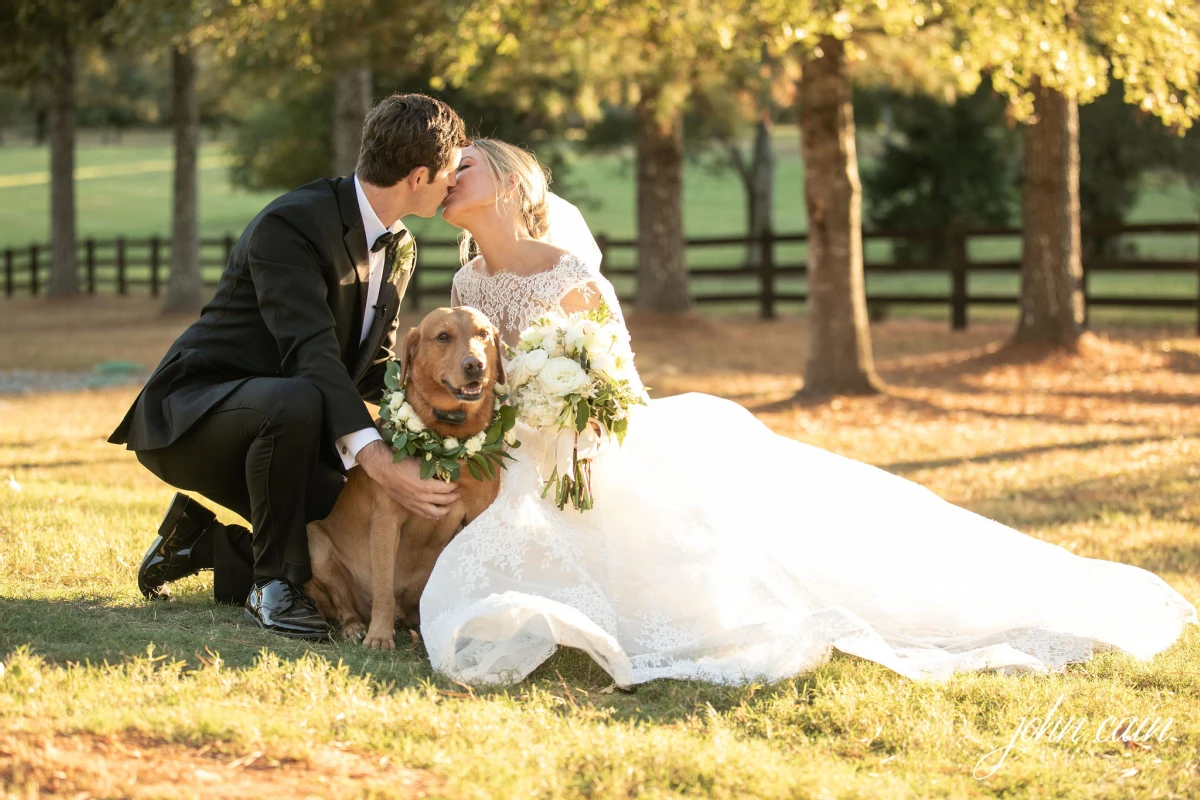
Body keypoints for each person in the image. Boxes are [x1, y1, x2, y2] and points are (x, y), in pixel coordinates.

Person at [420, 138, 1197, 686]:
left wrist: (577, 420)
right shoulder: (465, 287)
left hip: (589, 439)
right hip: (512, 445)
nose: (451, 176)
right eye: (447, 171)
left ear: (513, 182)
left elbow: (616, 370)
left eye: (466, 165)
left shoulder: (567, 269)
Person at [109, 94, 470, 640]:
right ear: (419, 175)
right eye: (448, 171)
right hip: (194, 416)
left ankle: (200, 543)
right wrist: (375, 458)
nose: (453, 183)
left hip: (287, 419)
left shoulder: (400, 245)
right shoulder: (292, 224)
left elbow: (371, 364)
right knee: (305, 406)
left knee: (336, 516)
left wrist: (443, 404)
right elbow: (313, 358)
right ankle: (272, 584)